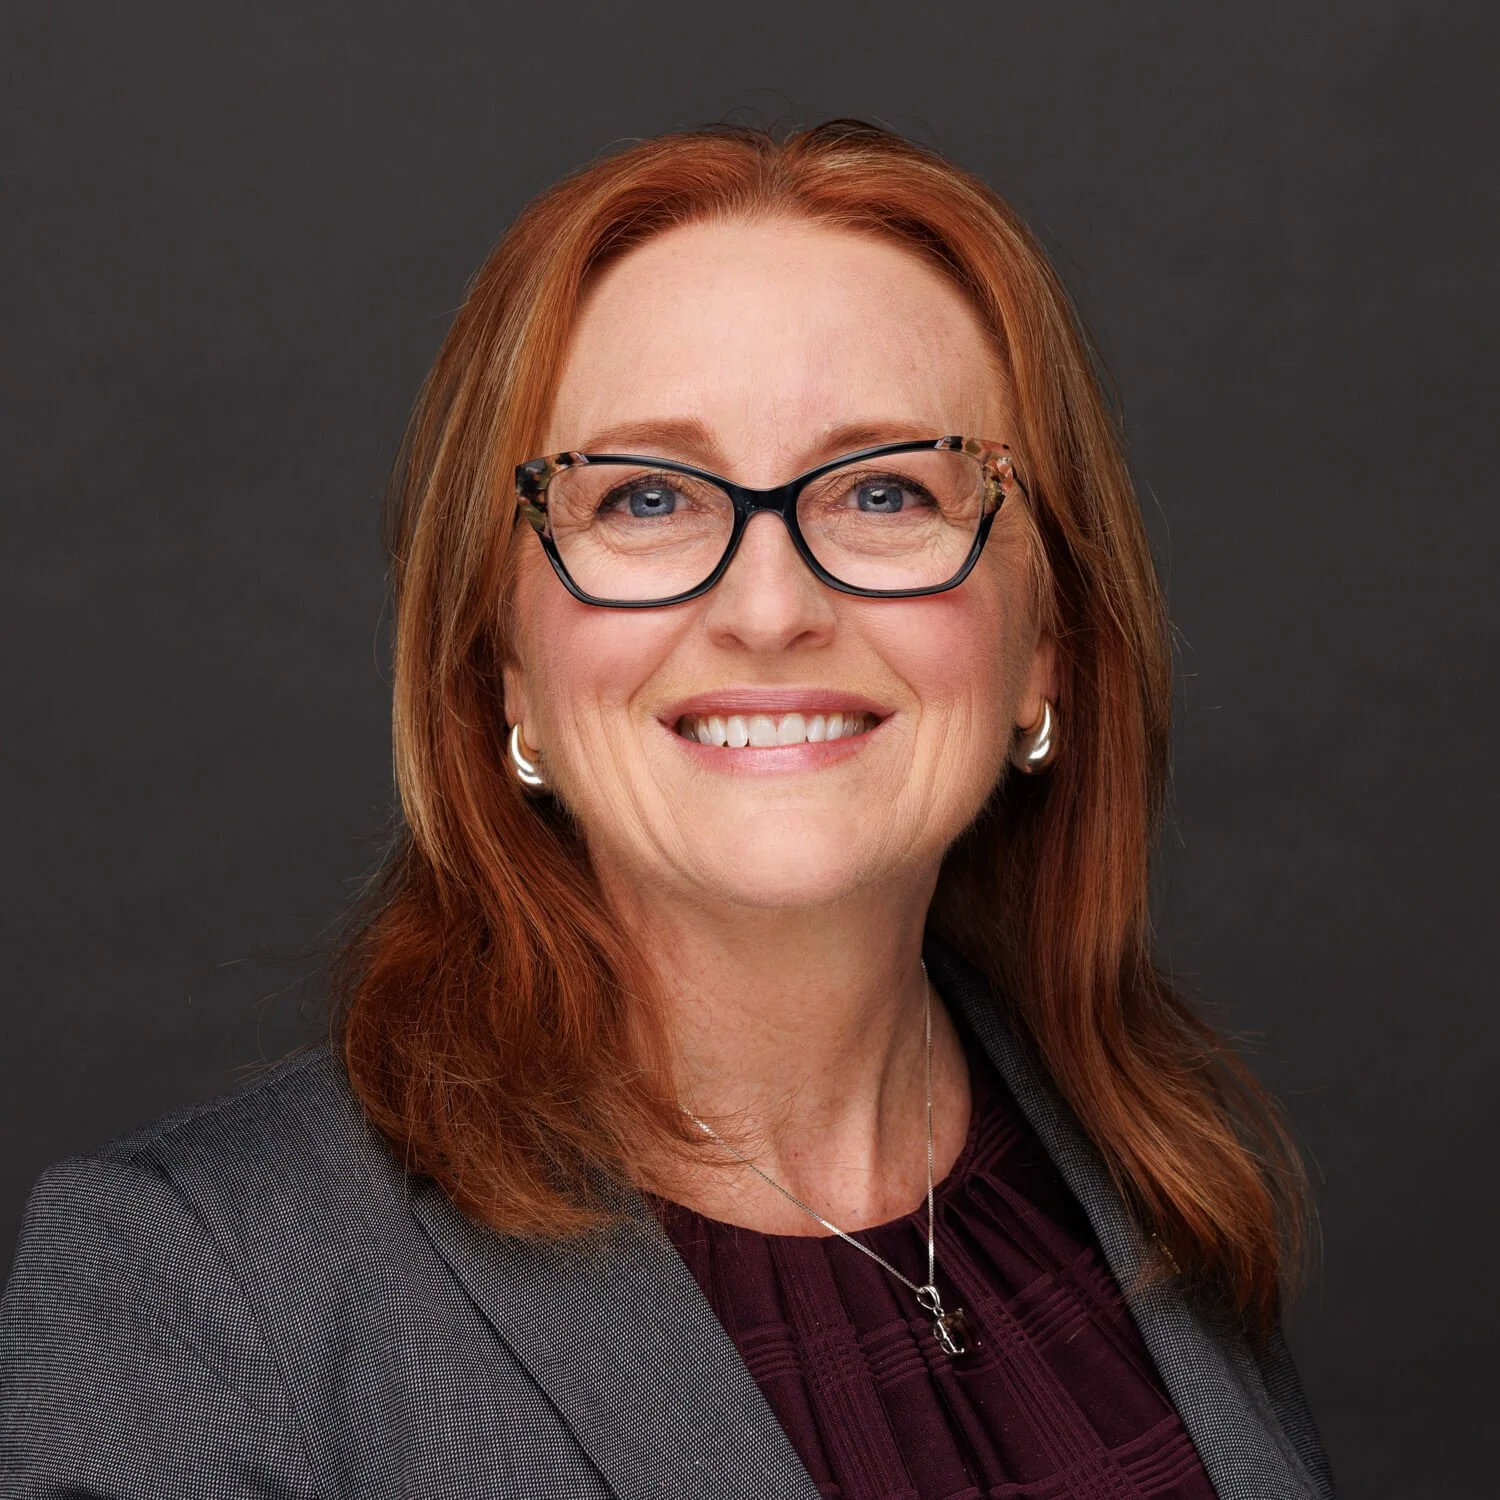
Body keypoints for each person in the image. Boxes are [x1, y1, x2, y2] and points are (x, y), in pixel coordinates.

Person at [0, 121, 1333, 1499]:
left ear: (1045, 644)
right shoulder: (198, 1296)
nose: (770, 610)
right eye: (644, 498)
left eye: (886, 490)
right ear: (504, 663)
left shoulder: (1153, 1176)